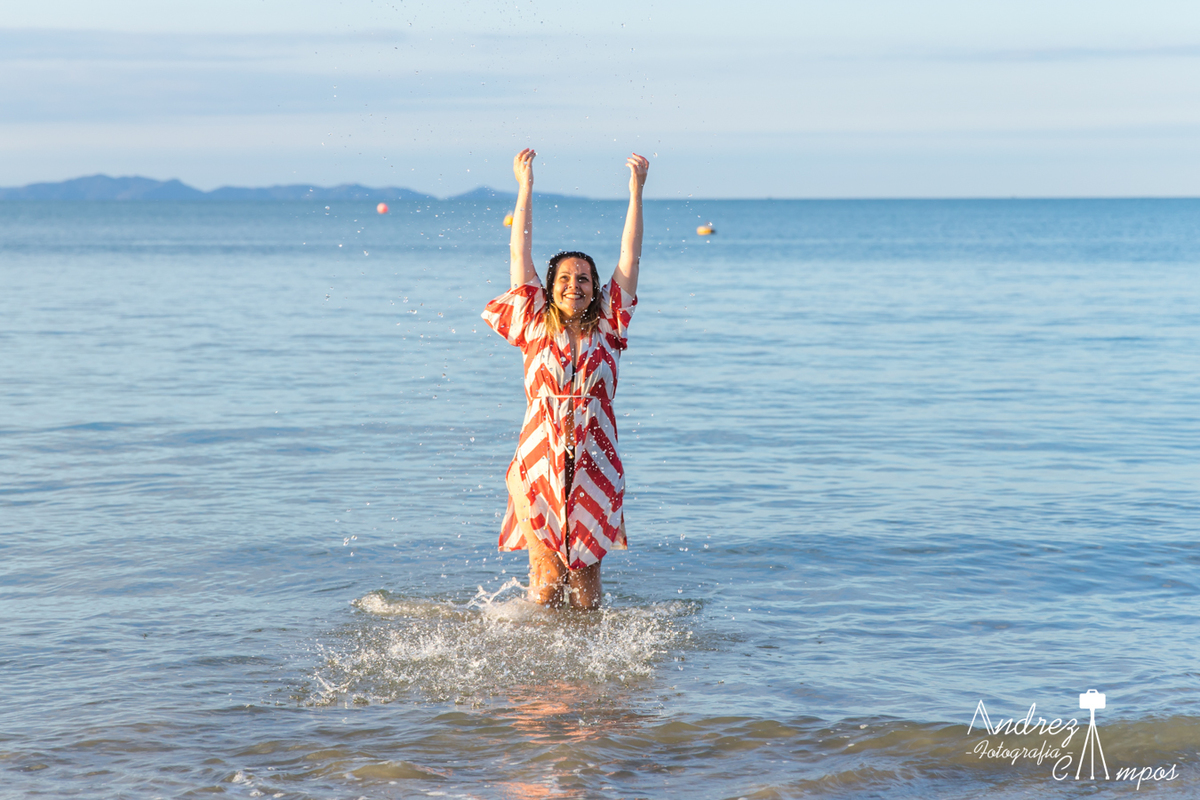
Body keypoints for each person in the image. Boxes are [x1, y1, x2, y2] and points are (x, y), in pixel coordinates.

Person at [481, 148, 649, 609]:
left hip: (595, 460)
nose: (575, 284)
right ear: (549, 289)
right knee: (544, 584)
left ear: (597, 290)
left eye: (585, 279)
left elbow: (629, 255)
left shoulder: (610, 326)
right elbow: (520, 250)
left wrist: (636, 191)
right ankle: (536, 669)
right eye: (565, 279)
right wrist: (525, 187)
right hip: (539, 459)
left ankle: (588, 676)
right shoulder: (534, 322)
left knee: (586, 595)